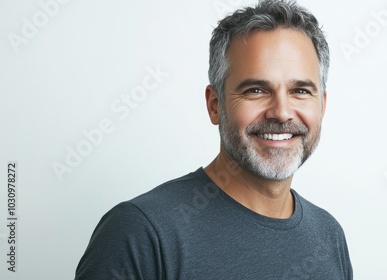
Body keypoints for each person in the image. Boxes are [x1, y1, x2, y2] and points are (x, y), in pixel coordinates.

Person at [75, 0, 353, 279]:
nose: (281, 113)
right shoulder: (142, 233)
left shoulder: (329, 237)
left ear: (322, 106)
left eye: (301, 91)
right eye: (256, 90)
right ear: (215, 105)